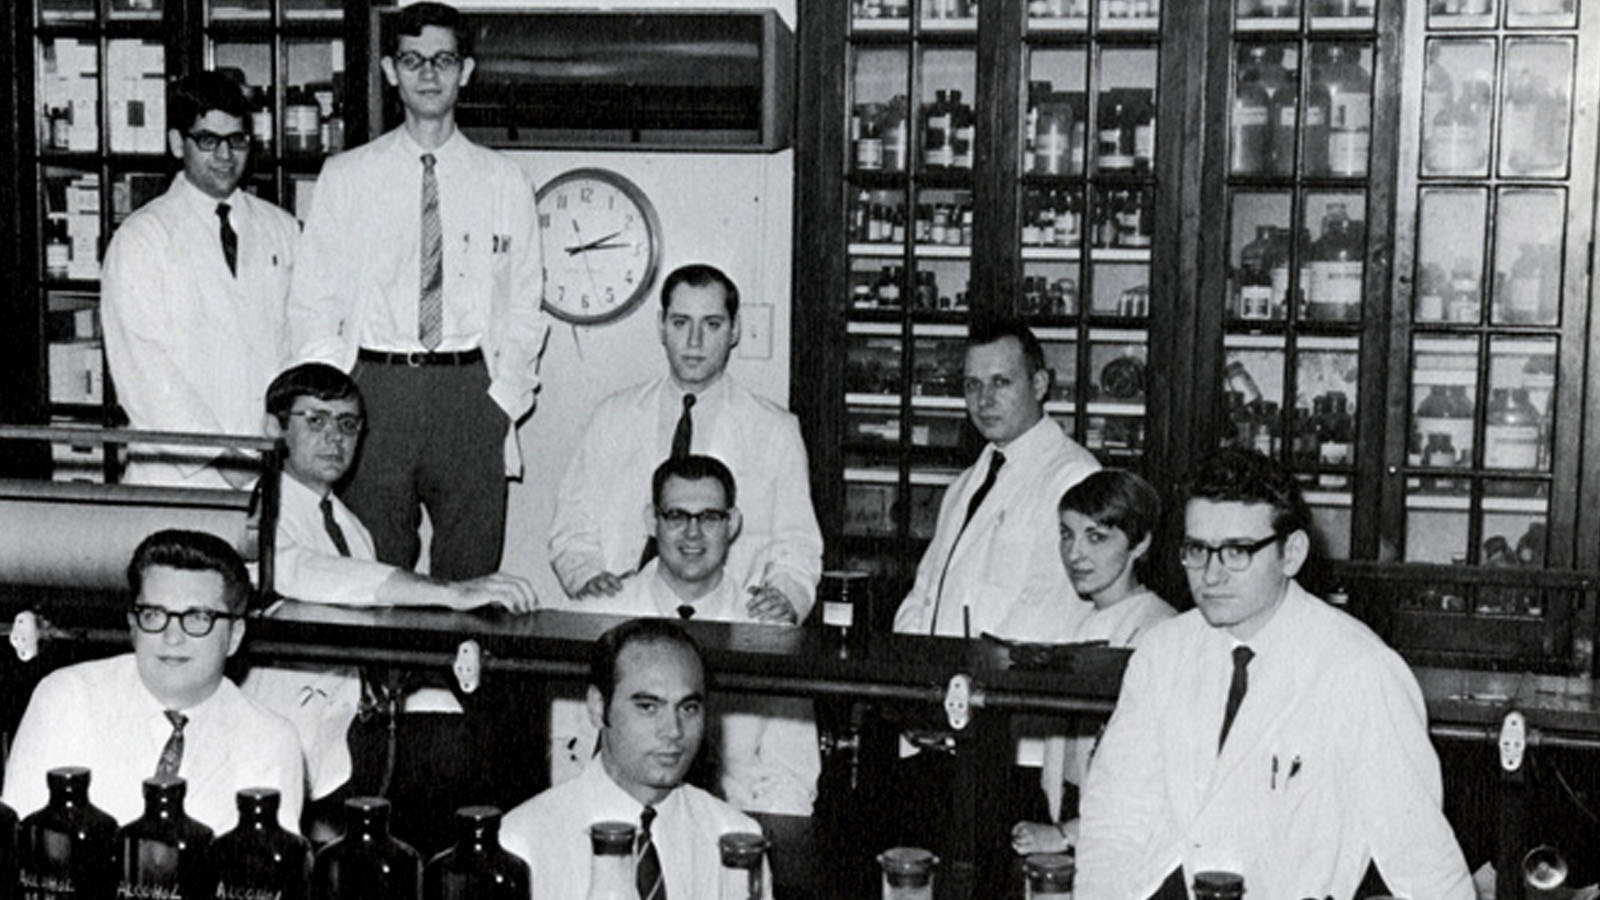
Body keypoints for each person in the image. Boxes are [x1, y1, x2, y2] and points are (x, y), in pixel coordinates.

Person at [1076, 448, 1474, 900]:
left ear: (1292, 554)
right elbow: (1114, 819)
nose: (1211, 574)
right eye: (1196, 550)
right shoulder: (1163, 651)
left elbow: (1423, 864)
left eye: (1237, 552)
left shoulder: (1360, 670)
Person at [288, 1, 547, 580]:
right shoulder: (347, 176)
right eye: (412, 60)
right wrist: (336, 396)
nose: (428, 75)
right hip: (375, 391)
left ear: (466, 70)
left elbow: (527, 304)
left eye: (443, 60)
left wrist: (502, 401)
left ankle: (458, 674)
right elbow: (313, 299)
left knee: (473, 577)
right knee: (375, 568)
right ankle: (386, 677)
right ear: (389, 70)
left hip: (470, 392)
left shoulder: (505, 181)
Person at [240, 362, 536, 807]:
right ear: (274, 429)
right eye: (315, 421)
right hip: (294, 718)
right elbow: (305, 572)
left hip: (356, 707)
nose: (335, 438)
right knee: (452, 751)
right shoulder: (254, 509)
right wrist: (450, 592)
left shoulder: (350, 524)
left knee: (494, 727)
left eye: (347, 424)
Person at [549, 263, 822, 622]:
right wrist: (587, 578)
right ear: (662, 326)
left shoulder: (775, 430)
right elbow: (572, 525)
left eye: (712, 325)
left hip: (729, 620)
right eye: (680, 323)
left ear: (735, 329)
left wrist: (783, 597)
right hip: (623, 613)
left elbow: (798, 546)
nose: (695, 342)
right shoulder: (612, 417)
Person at [2, 530, 303, 833]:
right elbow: (15, 842)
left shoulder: (271, 740)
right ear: (133, 625)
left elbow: (265, 873)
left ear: (234, 636)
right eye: (155, 614)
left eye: (198, 617)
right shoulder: (67, 698)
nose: (172, 637)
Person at [576, 454, 822, 820]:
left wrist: (743, 850)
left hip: (730, 831)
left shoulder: (770, 632)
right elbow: (567, 750)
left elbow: (791, 775)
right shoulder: (597, 616)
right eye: (676, 516)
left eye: (710, 517)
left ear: (733, 523)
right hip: (607, 825)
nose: (693, 533)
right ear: (651, 520)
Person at [102, 71, 299, 489]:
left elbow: (299, 338)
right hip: (179, 469)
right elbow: (144, 371)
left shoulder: (281, 229)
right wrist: (222, 457)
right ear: (178, 143)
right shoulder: (142, 237)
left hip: (270, 456)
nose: (226, 155)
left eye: (238, 140)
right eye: (208, 141)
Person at [501, 618, 773, 900]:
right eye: (648, 707)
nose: (673, 731)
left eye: (688, 708)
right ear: (597, 707)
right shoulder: (521, 842)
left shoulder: (736, 840)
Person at [893, 317, 1101, 640]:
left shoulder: (1074, 478)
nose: (984, 400)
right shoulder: (966, 484)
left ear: (1039, 384)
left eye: (1001, 382)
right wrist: (914, 659)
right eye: (973, 384)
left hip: (1006, 682)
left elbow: (1047, 611)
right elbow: (924, 592)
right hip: (942, 678)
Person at [1009, 469, 1177, 857]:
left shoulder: (1158, 631)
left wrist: (1067, 835)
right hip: (1069, 814)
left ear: (1140, 544)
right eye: (1067, 534)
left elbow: (1152, 784)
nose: (1074, 554)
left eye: (1096, 537)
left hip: (1115, 839)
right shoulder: (1077, 621)